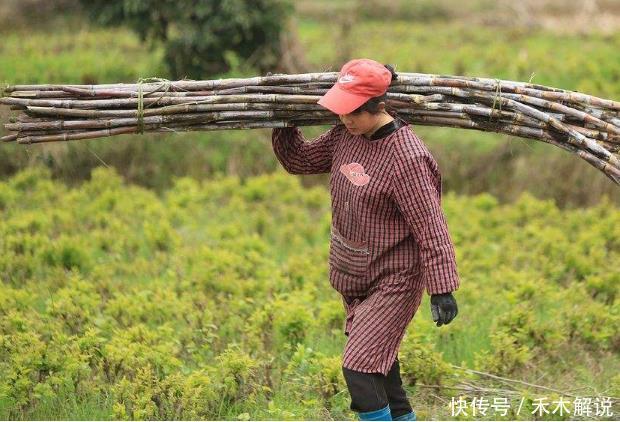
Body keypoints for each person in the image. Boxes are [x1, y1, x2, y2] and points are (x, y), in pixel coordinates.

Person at [271, 58, 460, 421]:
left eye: (353, 112)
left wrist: (442, 288)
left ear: (380, 106)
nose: (344, 119)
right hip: (356, 274)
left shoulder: (408, 159)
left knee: (358, 369)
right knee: (381, 369)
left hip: (395, 280)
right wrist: (284, 119)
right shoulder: (346, 135)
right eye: (340, 110)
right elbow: (299, 160)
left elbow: (431, 226)